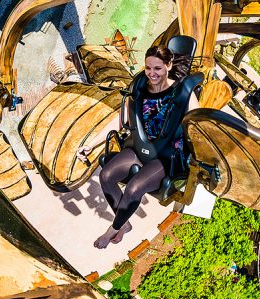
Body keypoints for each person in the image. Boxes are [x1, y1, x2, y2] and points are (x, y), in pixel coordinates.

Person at [77, 45, 198, 249]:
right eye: (148, 67)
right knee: (106, 176)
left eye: (158, 68)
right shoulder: (141, 86)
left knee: (133, 188)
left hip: (164, 156)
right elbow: (121, 118)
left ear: (168, 65)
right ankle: (124, 224)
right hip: (139, 147)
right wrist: (92, 143)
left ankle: (113, 230)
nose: (152, 73)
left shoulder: (183, 94)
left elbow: (198, 127)